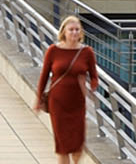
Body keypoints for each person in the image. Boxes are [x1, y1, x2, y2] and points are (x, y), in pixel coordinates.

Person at [34, 14, 98, 164]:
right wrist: (38, 99)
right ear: (64, 32)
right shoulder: (53, 51)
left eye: (77, 30)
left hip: (77, 103)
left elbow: (94, 76)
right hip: (58, 103)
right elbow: (44, 76)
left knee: (77, 146)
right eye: (71, 30)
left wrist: (92, 87)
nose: (74, 33)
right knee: (62, 146)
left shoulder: (87, 52)